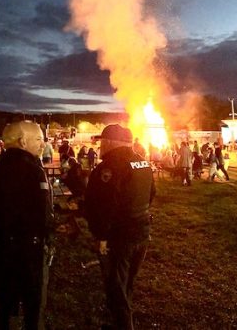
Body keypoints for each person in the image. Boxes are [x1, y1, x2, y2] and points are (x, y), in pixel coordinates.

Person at [0, 121, 53, 330]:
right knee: (33, 306)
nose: (43, 144)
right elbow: (44, 216)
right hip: (31, 250)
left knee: (5, 303)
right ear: (22, 141)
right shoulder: (36, 172)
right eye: (39, 139)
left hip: (1, 246)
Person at [84, 124, 155, 330]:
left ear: (109, 142)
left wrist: (101, 237)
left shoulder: (108, 168)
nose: (100, 146)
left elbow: (104, 206)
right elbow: (152, 193)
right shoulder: (143, 163)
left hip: (119, 237)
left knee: (115, 289)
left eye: (102, 142)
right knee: (127, 283)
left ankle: (123, 324)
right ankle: (117, 322)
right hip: (142, 232)